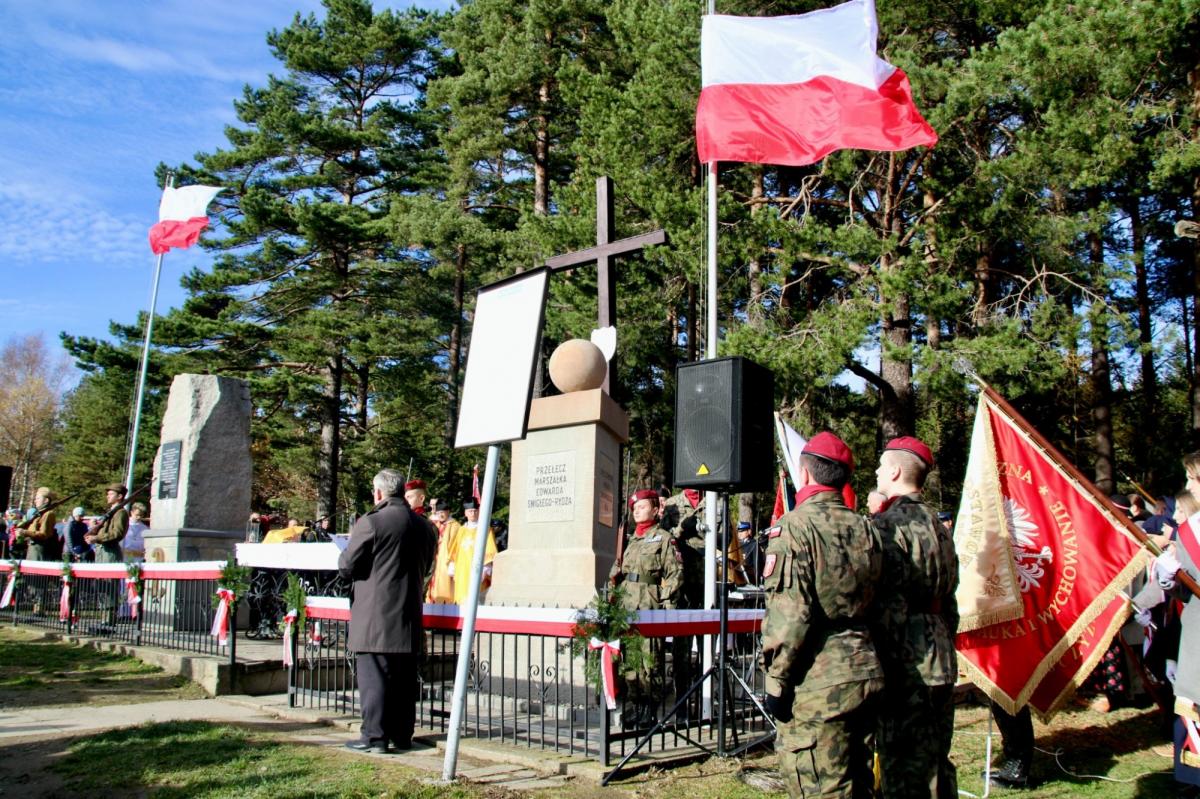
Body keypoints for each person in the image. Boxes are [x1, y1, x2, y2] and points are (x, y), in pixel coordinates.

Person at [761, 431, 883, 799]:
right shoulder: (867, 528)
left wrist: (776, 682)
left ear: (806, 475)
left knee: (820, 787)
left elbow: (790, 616)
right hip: (866, 670)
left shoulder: (794, 527)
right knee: (861, 782)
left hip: (818, 680)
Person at [870, 436, 959, 798]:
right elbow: (950, 599)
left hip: (906, 659)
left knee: (902, 762)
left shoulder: (889, 526)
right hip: (940, 650)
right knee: (937, 757)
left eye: (880, 464)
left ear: (893, 470)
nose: (876, 471)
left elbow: (887, 605)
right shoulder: (939, 526)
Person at [338, 468, 436, 754]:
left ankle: (374, 736)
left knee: (375, 677)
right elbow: (427, 565)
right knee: (405, 678)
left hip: (376, 613)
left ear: (379, 493)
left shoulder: (372, 522)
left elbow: (347, 566)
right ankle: (402, 735)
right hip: (409, 611)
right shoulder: (424, 527)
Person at [609, 488, 683, 728]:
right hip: (627, 604)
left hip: (649, 603)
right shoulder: (630, 541)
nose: (636, 511)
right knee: (630, 659)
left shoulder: (663, 538)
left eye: (641, 506)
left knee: (650, 659)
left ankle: (649, 709)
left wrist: (666, 604)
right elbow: (617, 574)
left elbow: (675, 573)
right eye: (634, 508)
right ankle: (634, 705)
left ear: (655, 509)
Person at [452, 499, 499, 605]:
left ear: (478, 512)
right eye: (470, 511)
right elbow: (455, 549)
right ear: (465, 513)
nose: (472, 513)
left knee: (475, 598)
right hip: (462, 570)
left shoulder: (485, 529)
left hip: (476, 568)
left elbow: (490, 547)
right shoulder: (461, 530)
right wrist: (453, 564)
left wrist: (486, 566)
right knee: (461, 598)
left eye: (475, 511)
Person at [426, 499, 460, 603]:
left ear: (448, 512)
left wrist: (452, 562)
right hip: (434, 559)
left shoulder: (455, 526)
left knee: (444, 585)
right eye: (439, 512)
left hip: (446, 560)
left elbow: (456, 546)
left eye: (443, 512)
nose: (440, 515)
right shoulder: (435, 524)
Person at [85, 484, 129, 563]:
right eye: (108, 494)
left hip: (110, 551)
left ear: (119, 496)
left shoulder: (120, 513)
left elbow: (117, 533)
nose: (107, 496)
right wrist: (93, 528)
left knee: (108, 575)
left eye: (111, 494)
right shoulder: (111, 512)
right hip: (101, 550)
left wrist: (97, 538)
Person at [20, 487, 61, 562]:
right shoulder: (38, 514)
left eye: (38, 498)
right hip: (32, 548)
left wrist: (25, 532)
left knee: (35, 573)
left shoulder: (48, 514)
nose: (35, 501)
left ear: (46, 500)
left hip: (40, 551)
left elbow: (44, 534)